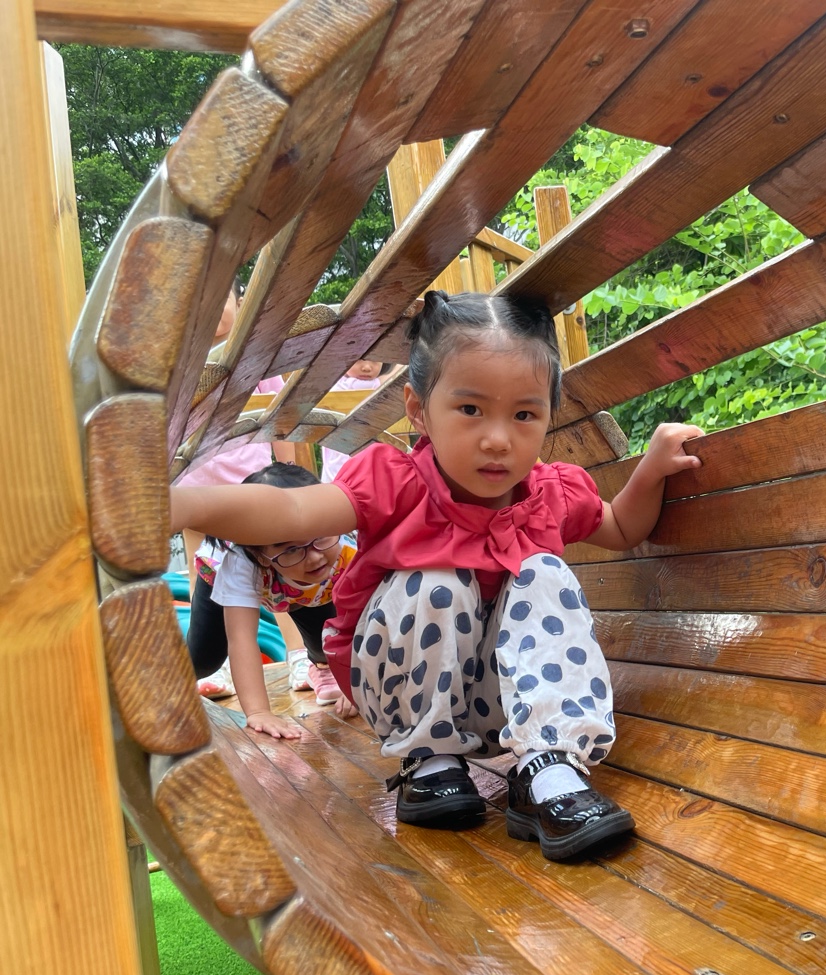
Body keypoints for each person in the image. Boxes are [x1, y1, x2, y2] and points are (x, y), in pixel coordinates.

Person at [172, 290, 703, 860]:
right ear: (419, 409)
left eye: (524, 414)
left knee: (544, 572)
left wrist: (651, 467)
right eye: (470, 409)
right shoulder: (396, 483)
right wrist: (178, 504)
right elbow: (293, 509)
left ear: (548, 416)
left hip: (508, 702)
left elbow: (620, 527)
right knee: (438, 581)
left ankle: (547, 768)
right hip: (405, 689)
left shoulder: (550, 493)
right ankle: (429, 761)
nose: (497, 438)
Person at [175, 280, 299, 697]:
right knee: (203, 579)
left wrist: (286, 470)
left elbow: (280, 418)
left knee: (278, 569)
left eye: (218, 299)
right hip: (194, 487)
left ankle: (300, 653)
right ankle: (220, 668)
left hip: (249, 482)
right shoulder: (181, 360)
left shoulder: (255, 354)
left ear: (240, 303)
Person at [187, 463, 359, 739]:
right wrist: (258, 712)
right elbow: (242, 639)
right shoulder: (241, 564)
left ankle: (321, 668)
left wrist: (358, 686)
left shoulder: (348, 546)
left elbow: (366, 625)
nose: (314, 556)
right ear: (259, 552)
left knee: (326, 645)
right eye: (291, 548)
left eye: (319, 536)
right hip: (230, 581)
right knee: (204, 660)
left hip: (307, 588)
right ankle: (166, 682)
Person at [321, 358, 386, 483]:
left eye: (375, 359)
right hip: (348, 472)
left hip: (335, 469)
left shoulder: (335, 382)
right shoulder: (349, 385)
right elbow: (392, 379)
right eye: (359, 359)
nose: (367, 367)